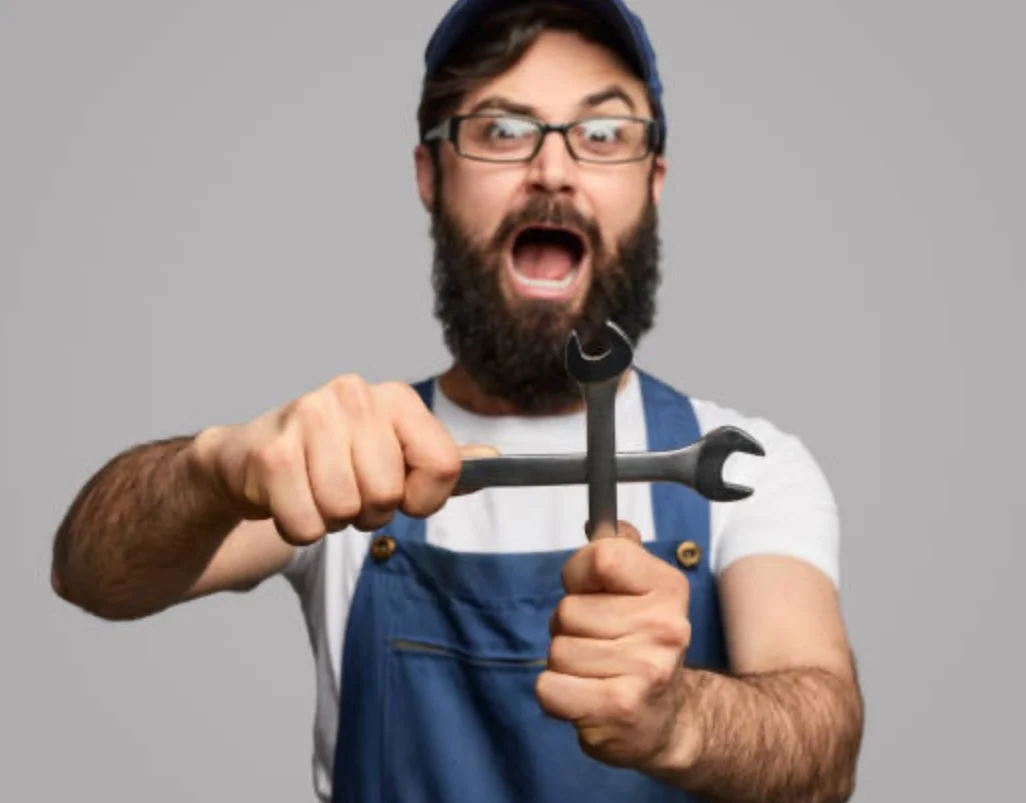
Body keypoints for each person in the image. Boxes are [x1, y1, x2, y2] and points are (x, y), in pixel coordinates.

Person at [50, 1, 865, 801]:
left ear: (654, 182)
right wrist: (215, 468)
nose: (553, 168)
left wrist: (681, 719)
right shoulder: (344, 457)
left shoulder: (753, 464)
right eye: (502, 130)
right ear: (428, 176)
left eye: (605, 133)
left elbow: (823, 749)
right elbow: (91, 573)